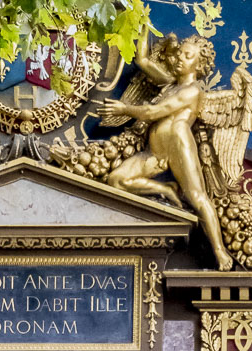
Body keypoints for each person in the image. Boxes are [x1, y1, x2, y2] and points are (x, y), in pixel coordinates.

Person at [99, 35, 234, 270]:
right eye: (180, 52)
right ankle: (166, 189)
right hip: (156, 150)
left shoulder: (193, 91)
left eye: (187, 55)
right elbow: (142, 60)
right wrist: (140, 20)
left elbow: (155, 111)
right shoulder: (171, 83)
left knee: (197, 197)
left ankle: (220, 251)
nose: (180, 57)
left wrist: (125, 108)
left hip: (178, 144)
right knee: (116, 180)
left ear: (199, 65)